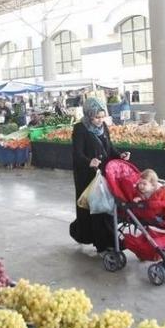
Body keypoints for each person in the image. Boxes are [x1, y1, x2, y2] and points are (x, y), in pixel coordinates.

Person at [69, 98, 130, 254]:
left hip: (103, 174)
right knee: (93, 209)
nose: (100, 120)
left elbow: (109, 148)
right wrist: (90, 162)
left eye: (102, 117)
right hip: (87, 176)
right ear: (89, 115)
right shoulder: (80, 129)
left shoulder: (103, 127)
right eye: (96, 117)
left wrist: (120, 155)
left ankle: (108, 239)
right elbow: (77, 154)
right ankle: (100, 242)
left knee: (105, 207)